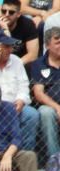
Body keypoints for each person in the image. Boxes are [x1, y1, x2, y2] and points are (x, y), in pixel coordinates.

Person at [0, 0, 38, 65]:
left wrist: (14, 66)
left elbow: (33, 55)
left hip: (21, 63)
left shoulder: (28, 24)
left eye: (11, 12)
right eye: (4, 11)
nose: (6, 14)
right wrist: (5, 30)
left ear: (18, 14)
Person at [33, 27, 60, 158]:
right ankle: (55, 160)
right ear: (47, 45)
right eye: (57, 42)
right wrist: (58, 108)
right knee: (45, 112)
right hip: (51, 108)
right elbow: (38, 93)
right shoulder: (39, 64)